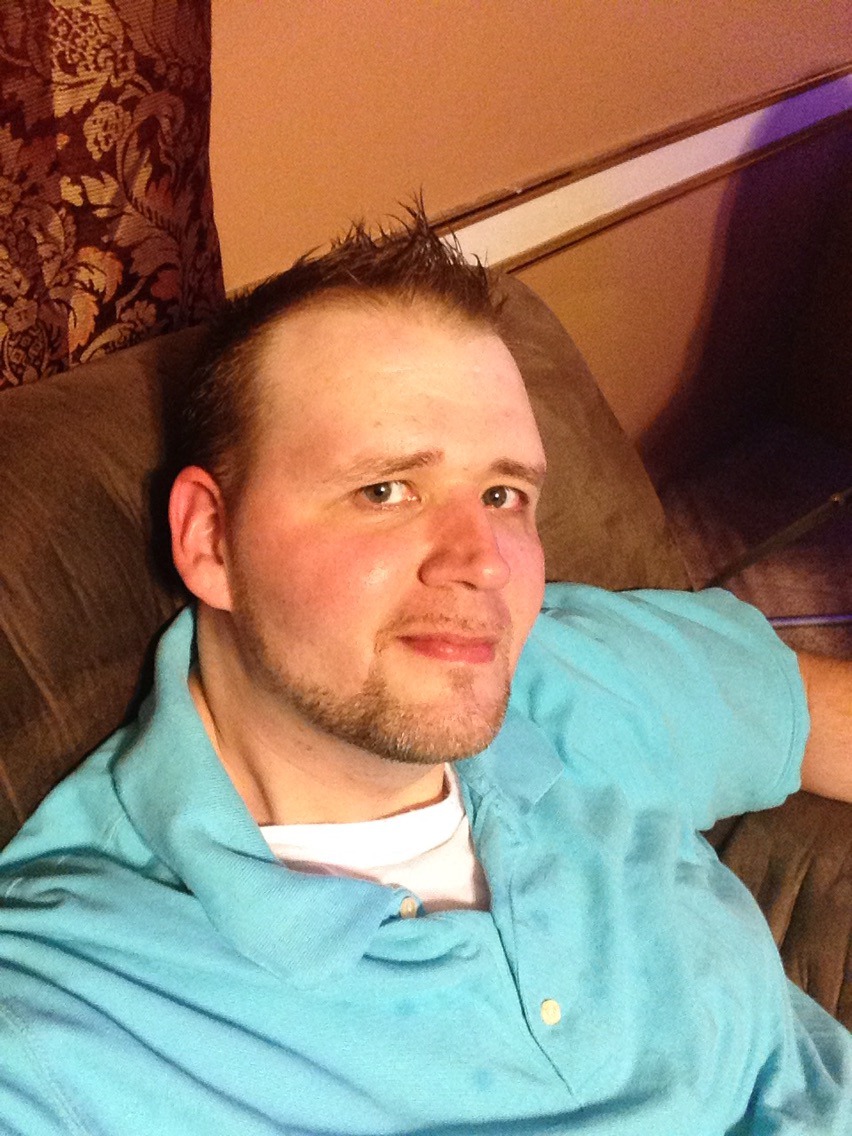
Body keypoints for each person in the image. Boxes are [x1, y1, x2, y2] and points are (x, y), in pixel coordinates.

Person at [0, 209, 850, 1136]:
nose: (484, 562)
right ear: (210, 537)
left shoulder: (557, 671)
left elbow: (809, 710)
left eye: (503, 494)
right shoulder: (70, 1015)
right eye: (386, 490)